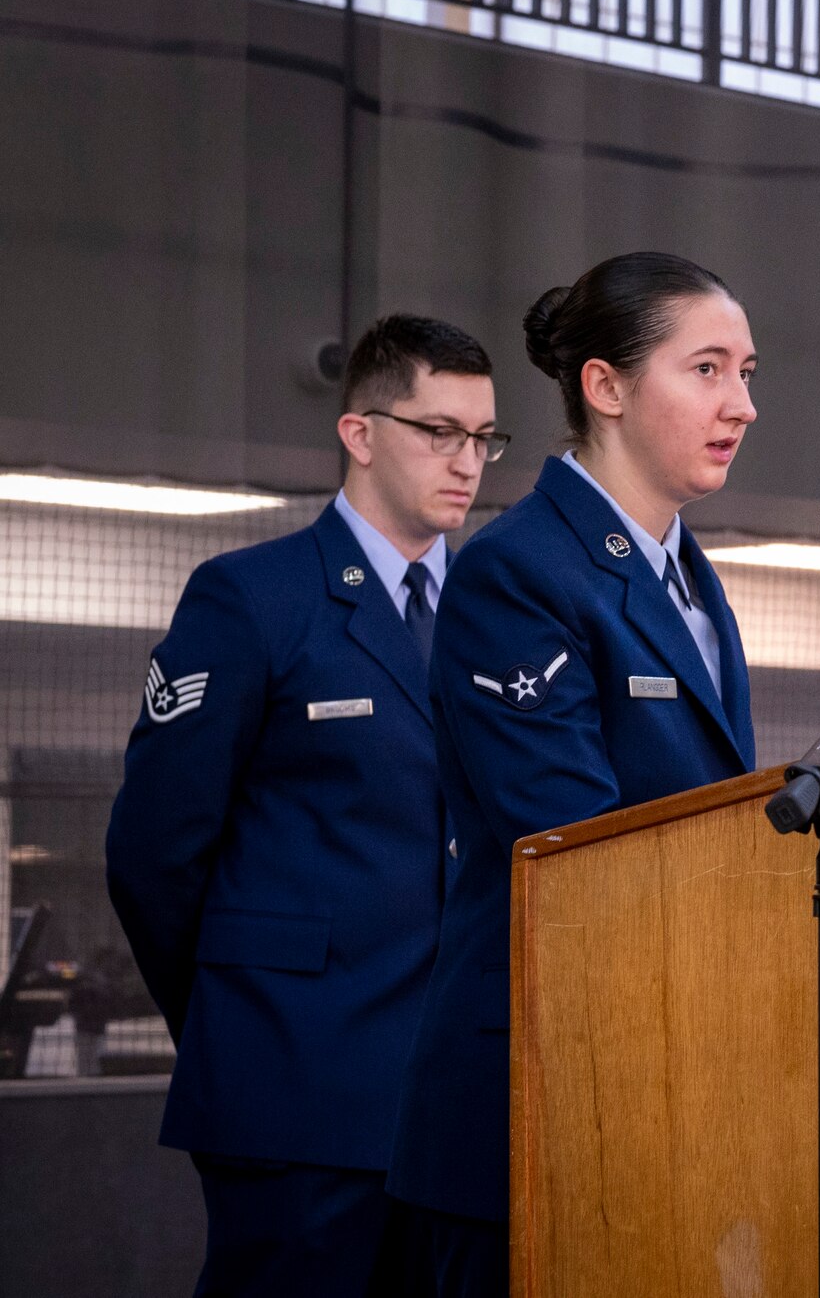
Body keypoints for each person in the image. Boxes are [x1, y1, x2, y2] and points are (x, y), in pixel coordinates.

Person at [105, 314, 505, 1295]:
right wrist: (243, 1015)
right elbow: (156, 853)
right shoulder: (253, 598)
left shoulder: (499, 618)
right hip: (294, 1091)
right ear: (359, 433)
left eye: (484, 437)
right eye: (437, 431)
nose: (468, 461)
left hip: (457, 1111)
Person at [387, 253, 759, 1295]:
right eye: (707, 370)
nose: (741, 403)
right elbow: (576, 850)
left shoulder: (686, 573)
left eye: (747, 373)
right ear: (604, 387)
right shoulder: (520, 572)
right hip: (534, 1096)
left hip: (654, 1078)